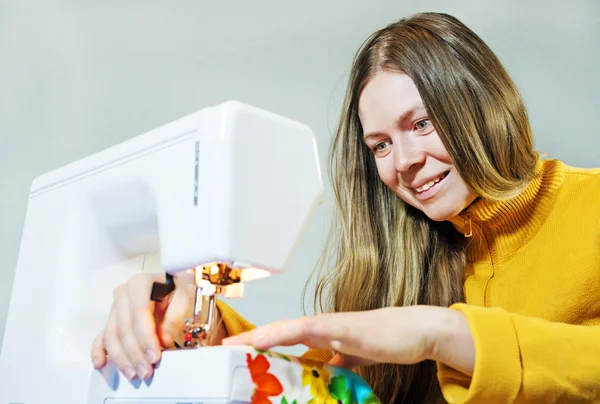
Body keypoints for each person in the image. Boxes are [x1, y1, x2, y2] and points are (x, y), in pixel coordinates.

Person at [91, 12, 600, 403]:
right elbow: (324, 384)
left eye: (421, 124)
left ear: (482, 105)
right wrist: (195, 326)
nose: (402, 162)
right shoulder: (399, 264)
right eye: (379, 145)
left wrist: (445, 334)